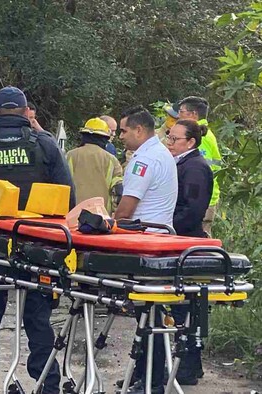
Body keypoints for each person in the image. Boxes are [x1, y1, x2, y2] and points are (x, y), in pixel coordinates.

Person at [0, 86, 75, 394]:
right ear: (26, 113)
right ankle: (48, 385)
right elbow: (68, 196)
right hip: (38, 248)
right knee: (39, 318)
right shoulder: (44, 144)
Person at [113, 105, 177, 394]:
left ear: (139, 130)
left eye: (124, 131)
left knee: (148, 316)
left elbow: (126, 209)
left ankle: (151, 380)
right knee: (150, 315)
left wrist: (106, 223)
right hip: (160, 240)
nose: (121, 137)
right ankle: (146, 374)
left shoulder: (144, 160)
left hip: (143, 243)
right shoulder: (162, 153)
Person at [165, 119, 213, 386]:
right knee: (183, 308)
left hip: (186, 242)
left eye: (174, 139)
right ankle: (188, 365)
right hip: (181, 239)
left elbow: (192, 209)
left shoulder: (194, 167)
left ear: (190, 142)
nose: (169, 144)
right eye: (169, 138)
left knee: (186, 308)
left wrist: (167, 227)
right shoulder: (182, 163)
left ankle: (189, 366)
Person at [176, 96, 221, 235]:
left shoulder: (203, 136)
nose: (178, 115)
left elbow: (199, 171)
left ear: (194, 114)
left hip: (202, 198)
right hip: (201, 197)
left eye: (181, 111)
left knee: (200, 244)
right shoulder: (201, 132)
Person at [66, 118, 123, 213]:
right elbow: (118, 190)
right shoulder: (111, 160)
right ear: (105, 138)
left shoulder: (70, 155)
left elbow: (62, 183)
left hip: (73, 215)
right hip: (101, 218)